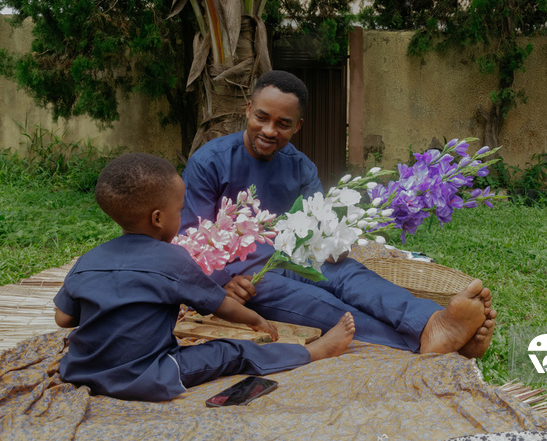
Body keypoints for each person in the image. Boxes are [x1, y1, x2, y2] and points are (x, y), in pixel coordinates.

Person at [180, 70, 496, 358]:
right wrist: (222, 284)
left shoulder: (301, 167)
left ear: (297, 126)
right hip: (250, 277)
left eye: (283, 123)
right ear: (248, 109)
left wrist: (333, 242)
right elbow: (188, 244)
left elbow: (320, 230)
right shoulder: (209, 164)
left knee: (350, 274)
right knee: (322, 305)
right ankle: (434, 341)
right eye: (262, 117)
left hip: (298, 258)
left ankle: (432, 320)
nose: (269, 130)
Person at [53, 153, 355, 402]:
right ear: (158, 218)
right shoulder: (172, 259)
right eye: (180, 211)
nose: (182, 217)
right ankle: (312, 351)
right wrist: (255, 319)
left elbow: (63, 319)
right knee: (230, 352)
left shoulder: (89, 259)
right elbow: (222, 304)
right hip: (149, 375)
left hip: (81, 370)